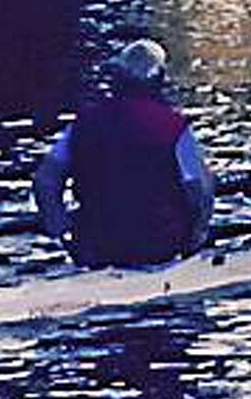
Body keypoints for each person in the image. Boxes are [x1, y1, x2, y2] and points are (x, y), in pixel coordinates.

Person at [33, 36, 214, 267]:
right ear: (159, 79)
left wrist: (61, 230)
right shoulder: (174, 127)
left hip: (95, 247)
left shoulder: (82, 124)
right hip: (160, 246)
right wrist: (196, 237)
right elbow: (200, 191)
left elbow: (45, 181)